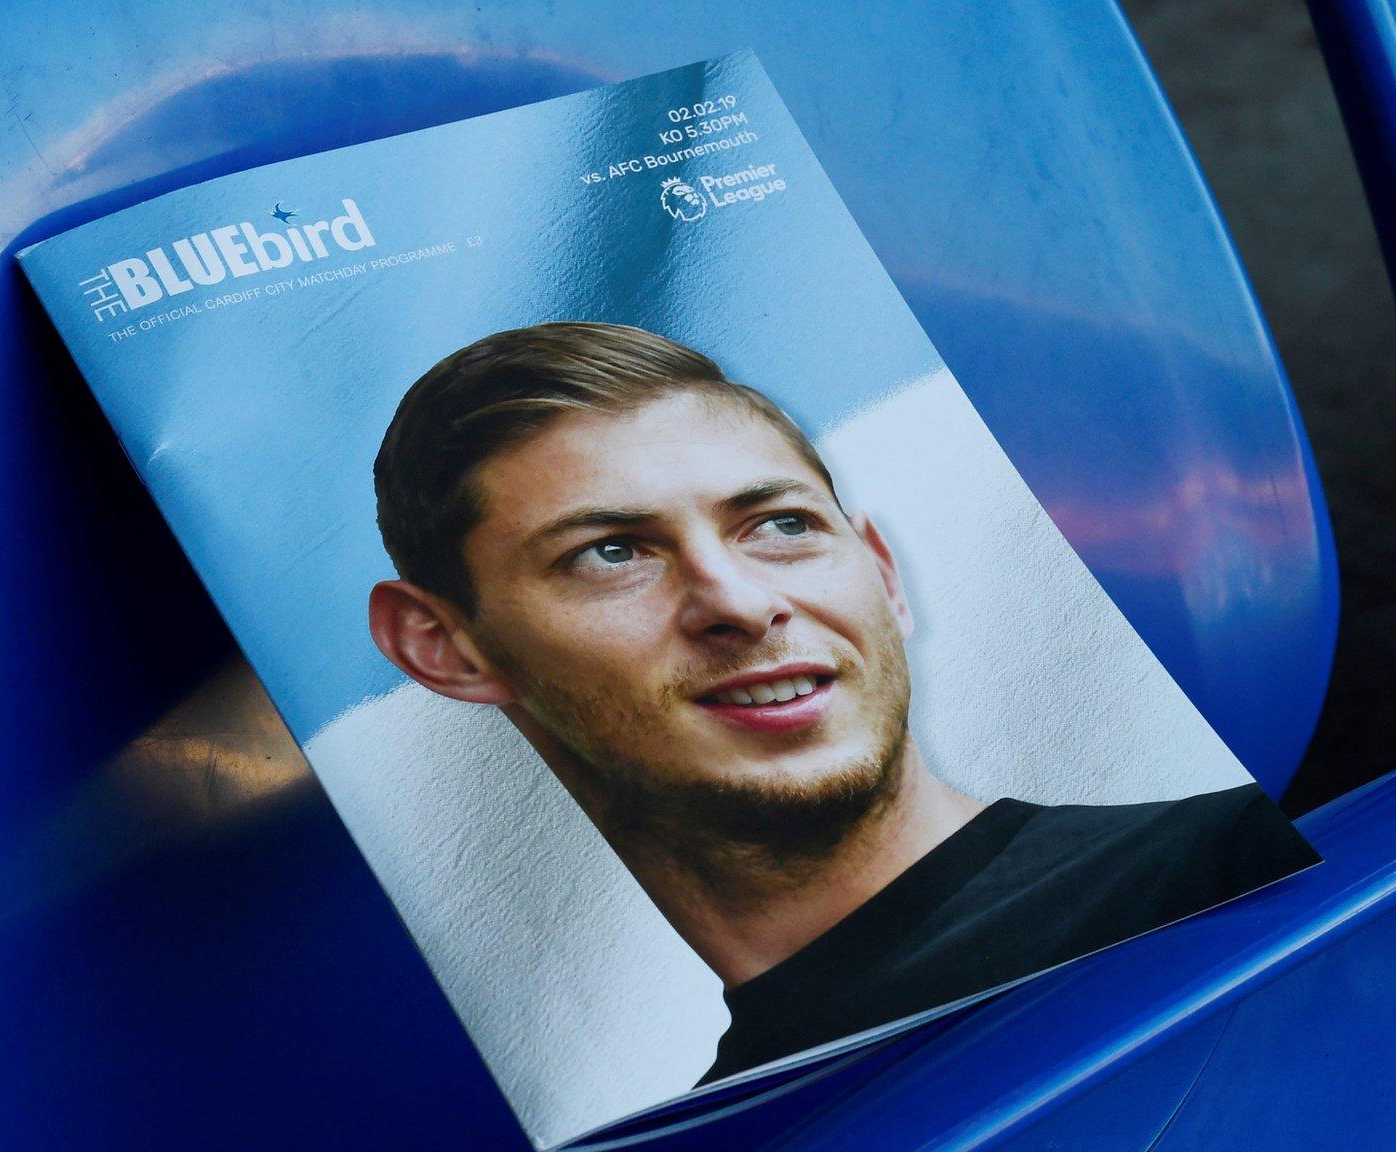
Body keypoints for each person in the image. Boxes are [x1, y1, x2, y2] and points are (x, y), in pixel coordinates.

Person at [366, 322, 1318, 1083]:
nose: (741, 603)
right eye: (612, 551)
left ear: (884, 575)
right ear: (441, 647)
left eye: (780, 526)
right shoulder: (715, 1121)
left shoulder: (1221, 869)